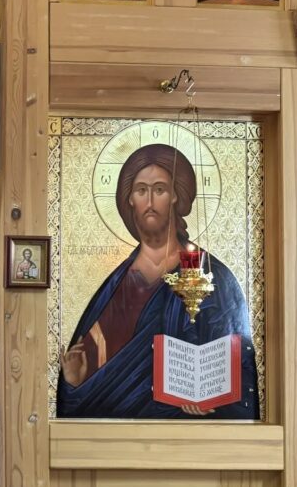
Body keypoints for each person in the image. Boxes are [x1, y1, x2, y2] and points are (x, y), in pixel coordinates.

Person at [57, 144, 260, 419]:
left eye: (160, 189)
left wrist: (209, 399)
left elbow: (240, 369)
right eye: (141, 190)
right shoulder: (116, 285)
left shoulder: (213, 276)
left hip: (190, 438)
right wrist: (73, 383)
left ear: (176, 196)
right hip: (113, 439)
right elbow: (87, 381)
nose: (150, 201)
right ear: (130, 199)